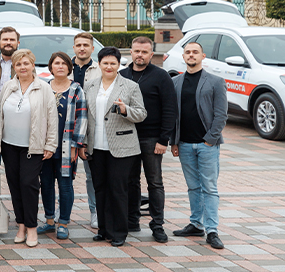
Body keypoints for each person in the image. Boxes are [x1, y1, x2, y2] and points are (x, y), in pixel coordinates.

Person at [79, 47, 146, 247]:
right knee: (100, 188)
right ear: (99, 64)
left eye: (113, 63)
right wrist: (82, 142)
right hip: (95, 146)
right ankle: (104, 229)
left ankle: (119, 232)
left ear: (119, 65)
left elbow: (141, 114)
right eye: (105, 63)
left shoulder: (130, 86)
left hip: (122, 147)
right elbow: (84, 117)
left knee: (117, 189)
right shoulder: (90, 85)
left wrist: (126, 110)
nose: (109, 67)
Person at [0, 49, 56, 247]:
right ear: (14, 66)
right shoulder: (9, 86)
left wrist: (50, 144)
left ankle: (31, 228)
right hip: (9, 145)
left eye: (26, 63)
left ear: (32, 65)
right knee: (14, 185)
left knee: (28, 185)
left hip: (33, 146)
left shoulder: (43, 88)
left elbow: (52, 118)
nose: (22, 67)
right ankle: (20, 225)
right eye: (19, 64)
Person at [171, 42, 228, 250]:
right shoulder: (175, 82)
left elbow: (221, 115)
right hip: (184, 144)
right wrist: (174, 141)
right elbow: (174, 115)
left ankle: (212, 230)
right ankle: (196, 224)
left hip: (207, 145)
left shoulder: (216, 82)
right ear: (183, 56)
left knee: (210, 188)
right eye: (187, 52)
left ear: (203, 56)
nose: (191, 55)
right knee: (193, 187)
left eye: (195, 52)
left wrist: (210, 139)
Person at [121, 37, 177, 242]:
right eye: (136, 51)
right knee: (130, 181)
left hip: (152, 138)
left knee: (154, 182)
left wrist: (164, 139)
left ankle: (157, 224)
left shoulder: (161, 77)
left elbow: (170, 110)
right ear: (131, 52)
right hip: (127, 137)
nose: (140, 55)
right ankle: (132, 220)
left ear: (151, 55)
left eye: (144, 52)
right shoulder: (123, 75)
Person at [37, 52, 87, 241]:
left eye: (63, 63)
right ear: (50, 67)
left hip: (66, 146)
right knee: (47, 184)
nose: (60, 66)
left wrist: (76, 144)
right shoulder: (43, 88)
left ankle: (63, 222)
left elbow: (82, 118)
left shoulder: (76, 90)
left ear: (69, 67)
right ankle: (50, 220)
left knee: (65, 186)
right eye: (56, 63)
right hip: (45, 145)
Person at [71, 32, 101, 228]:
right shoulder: (64, 67)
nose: (82, 48)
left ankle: (95, 211)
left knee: (92, 175)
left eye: (86, 45)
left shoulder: (100, 70)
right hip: (67, 129)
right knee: (65, 174)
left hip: (92, 130)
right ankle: (62, 209)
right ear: (73, 47)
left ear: (92, 48)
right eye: (78, 45)